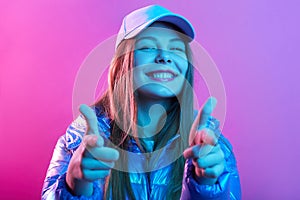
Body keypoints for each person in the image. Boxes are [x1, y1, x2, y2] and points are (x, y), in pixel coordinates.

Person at [42, 5, 241, 199]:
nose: (165, 57)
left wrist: (205, 186)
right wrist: (75, 185)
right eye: (148, 47)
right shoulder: (77, 142)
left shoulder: (213, 148)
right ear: (122, 63)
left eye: (176, 49)